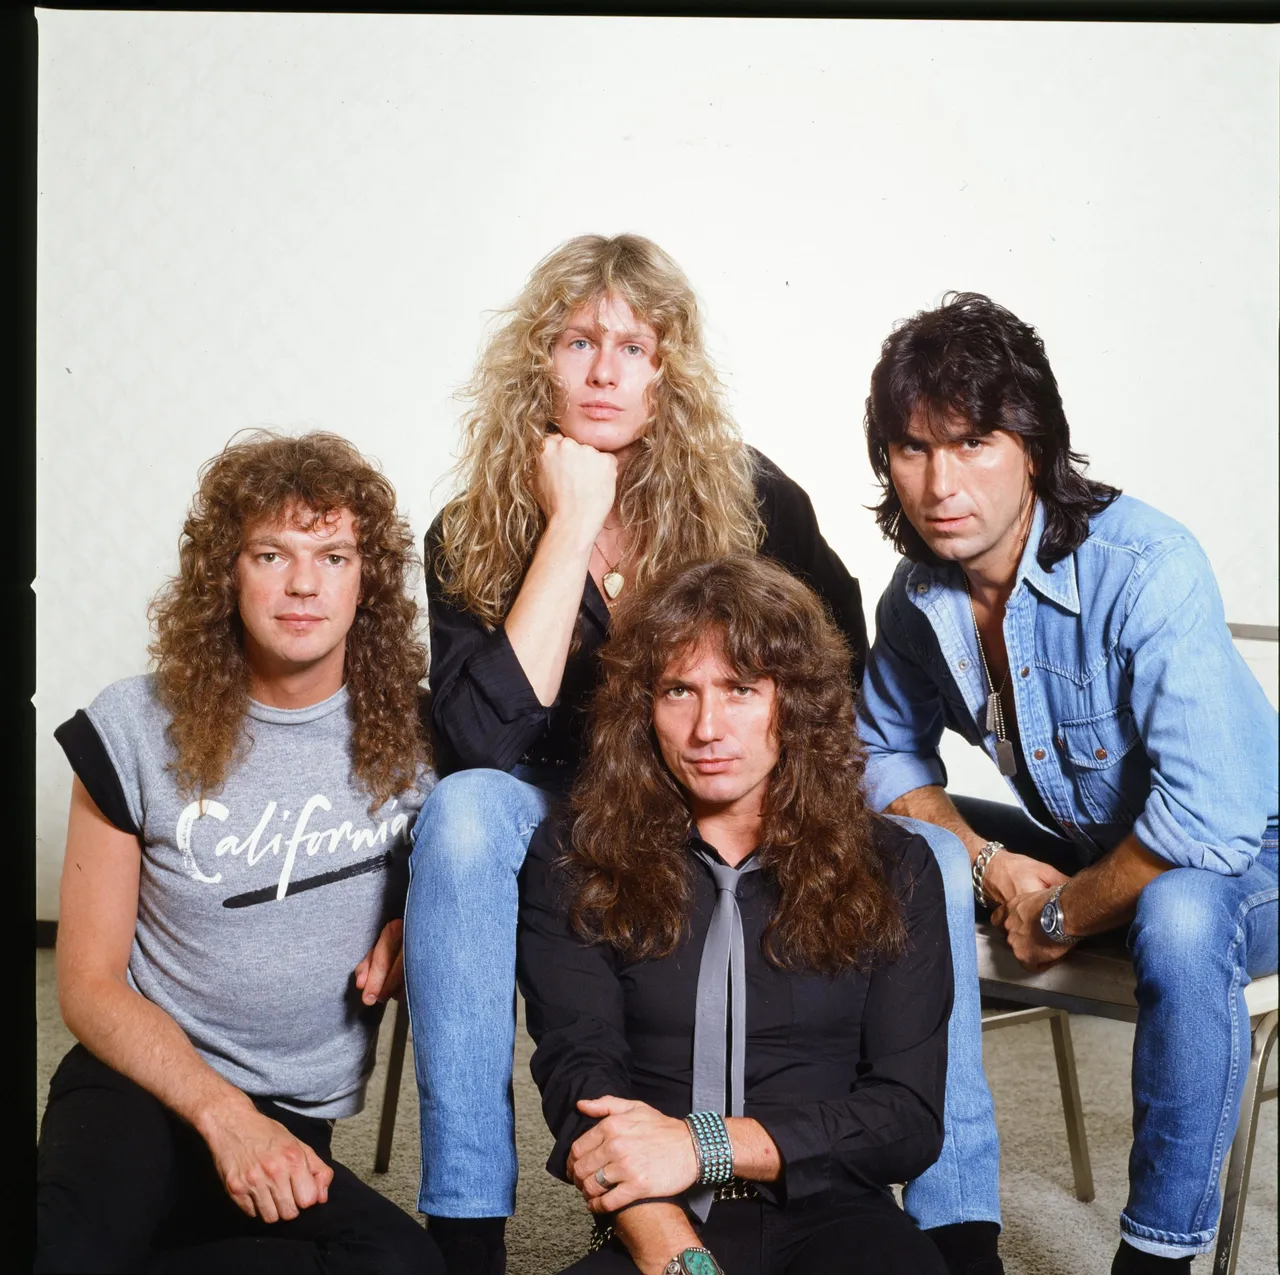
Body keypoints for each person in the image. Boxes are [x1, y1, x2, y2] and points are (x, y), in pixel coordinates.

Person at [402, 233, 998, 1274]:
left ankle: (956, 1230)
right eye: (575, 342)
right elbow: (478, 746)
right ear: (533, 360)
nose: (601, 371)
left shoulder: (748, 498)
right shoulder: (468, 529)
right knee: (459, 818)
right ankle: (465, 1229)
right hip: (564, 813)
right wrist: (568, 521)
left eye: (633, 347)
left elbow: (826, 675)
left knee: (937, 864)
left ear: (669, 369)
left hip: (710, 791)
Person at [855, 291, 1279, 1275]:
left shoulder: (1145, 566)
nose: (937, 483)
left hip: (1255, 857)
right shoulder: (919, 596)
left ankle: (1154, 1256)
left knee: (1176, 915)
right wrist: (995, 869)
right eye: (911, 449)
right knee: (897, 859)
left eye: (969, 445)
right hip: (1102, 853)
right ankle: (953, 1235)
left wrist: (1059, 916)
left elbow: (1209, 822)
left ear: (1034, 449)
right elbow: (880, 759)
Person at [36, 431, 444, 1275]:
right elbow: (85, 986)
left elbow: (453, 872)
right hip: (139, 1085)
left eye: (333, 555)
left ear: (366, 581)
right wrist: (223, 1115)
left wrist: (416, 918)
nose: (303, 583)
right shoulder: (133, 726)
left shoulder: (421, 735)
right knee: (77, 1246)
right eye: (271, 553)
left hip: (294, 1117)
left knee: (405, 1265)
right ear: (227, 570)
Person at [517, 554, 952, 1275]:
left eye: (741, 689)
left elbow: (906, 1117)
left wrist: (707, 1143)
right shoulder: (576, 852)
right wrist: (666, 1239)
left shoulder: (894, 865)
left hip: (836, 1213)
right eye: (678, 691)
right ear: (642, 709)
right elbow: (579, 1071)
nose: (706, 727)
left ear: (795, 702)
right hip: (657, 1217)